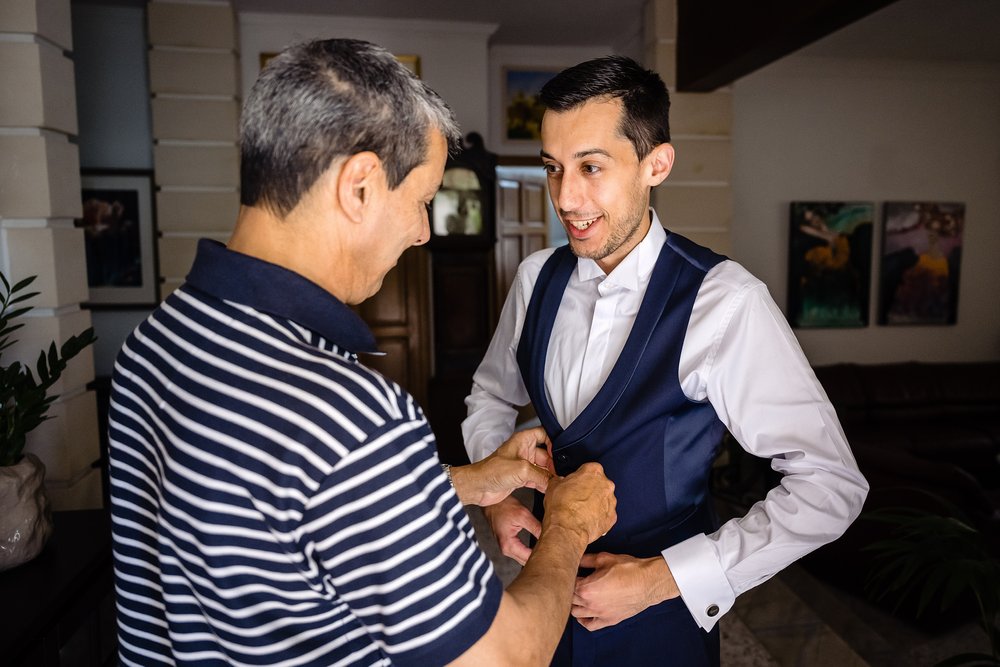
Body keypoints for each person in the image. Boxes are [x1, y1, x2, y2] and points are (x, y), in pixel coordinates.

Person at [107, 38, 617, 667]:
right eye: (422, 200)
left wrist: (457, 483)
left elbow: (272, 517)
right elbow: (503, 657)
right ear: (360, 186)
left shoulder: (154, 345)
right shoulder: (349, 416)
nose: (425, 231)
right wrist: (568, 524)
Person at [462, 55, 869, 666]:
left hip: (658, 623)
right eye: (553, 169)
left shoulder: (726, 303)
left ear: (657, 164)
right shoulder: (534, 279)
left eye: (591, 167)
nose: (566, 199)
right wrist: (497, 498)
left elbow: (831, 486)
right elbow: (491, 396)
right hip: (538, 605)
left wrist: (664, 579)